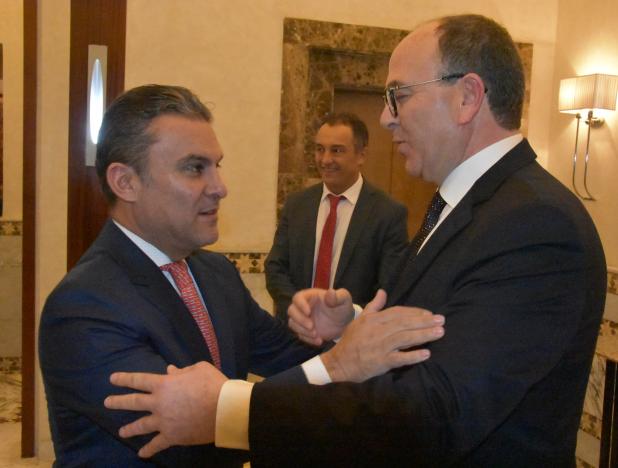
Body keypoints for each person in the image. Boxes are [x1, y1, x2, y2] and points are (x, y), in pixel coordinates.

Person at [105, 14, 607, 467]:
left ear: (467, 97)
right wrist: (356, 325)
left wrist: (229, 409)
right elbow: (448, 332)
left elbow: (436, 412)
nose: (386, 117)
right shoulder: (480, 206)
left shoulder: (535, 223)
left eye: (399, 94)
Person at [38, 85, 445, 467]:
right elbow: (190, 435)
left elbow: (289, 358)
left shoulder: (215, 273)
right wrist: (337, 366)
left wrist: (344, 338)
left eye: (216, 166)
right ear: (125, 182)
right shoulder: (84, 306)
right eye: (194, 168)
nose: (220, 187)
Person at [265, 112, 408, 319]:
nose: (325, 160)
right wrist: (300, 309)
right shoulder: (297, 205)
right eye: (320, 149)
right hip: (295, 330)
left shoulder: (388, 214)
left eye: (336, 150)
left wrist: (346, 317)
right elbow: (275, 267)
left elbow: (389, 287)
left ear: (361, 155)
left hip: (352, 332)